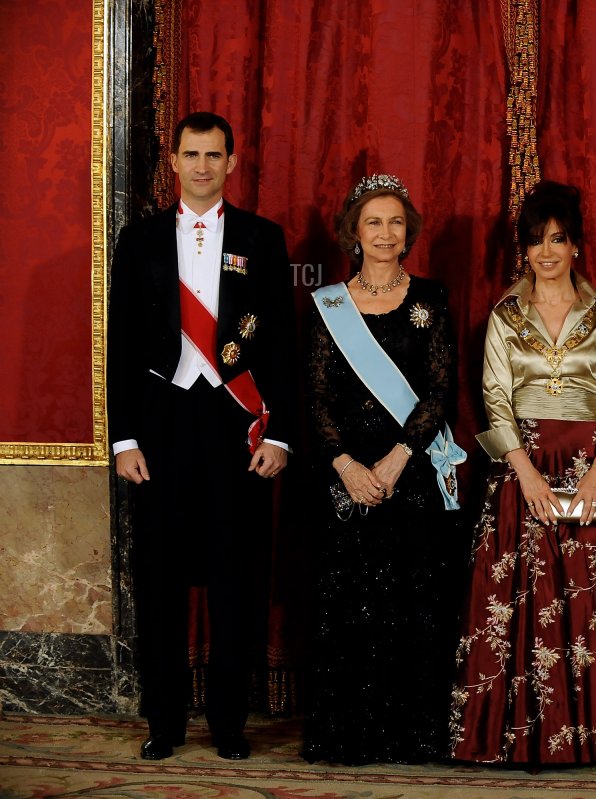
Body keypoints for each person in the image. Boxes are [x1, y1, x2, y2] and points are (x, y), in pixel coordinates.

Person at [449, 180, 596, 766]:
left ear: (576, 245)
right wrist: (526, 476)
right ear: (523, 250)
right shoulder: (504, 317)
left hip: (590, 468)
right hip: (522, 469)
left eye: (557, 239)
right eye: (536, 241)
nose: (547, 252)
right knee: (521, 597)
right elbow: (495, 400)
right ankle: (522, 737)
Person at [107, 111, 295, 761]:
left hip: (236, 424)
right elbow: (122, 343)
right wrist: (124, 439)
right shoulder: (139, 239)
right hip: (160, 425)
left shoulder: (262, 239)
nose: (203, 166)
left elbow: (281, 345)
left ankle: (228, 722)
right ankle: (164, 719)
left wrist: (281, 436)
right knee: (159, 579)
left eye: (214, 155)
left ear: (232, 162)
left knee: (235, 578)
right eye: (191, 154)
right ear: (174, 161)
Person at [300, 174, 463, 765]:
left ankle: (414, 735)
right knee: (351, 604)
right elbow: (316, 397)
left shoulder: (431, 298)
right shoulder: (327, 305)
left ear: (408, 231)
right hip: (347, 477)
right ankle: (350, 735)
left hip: (410, 471)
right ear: (355, 232)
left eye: (396, 222)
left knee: (412, 601)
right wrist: (345, 464)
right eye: (374, 222)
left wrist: (398, 457)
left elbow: (441, 389)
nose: (386, 233)